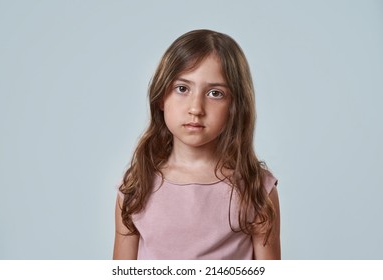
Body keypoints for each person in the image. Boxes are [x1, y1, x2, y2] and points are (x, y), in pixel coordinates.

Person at [113, 29, 280, 260]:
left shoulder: (256, 188)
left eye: (215, 93)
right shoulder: (136, 185)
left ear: (235, 106)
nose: (196, 108)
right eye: (182, 89)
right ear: (161, 97)